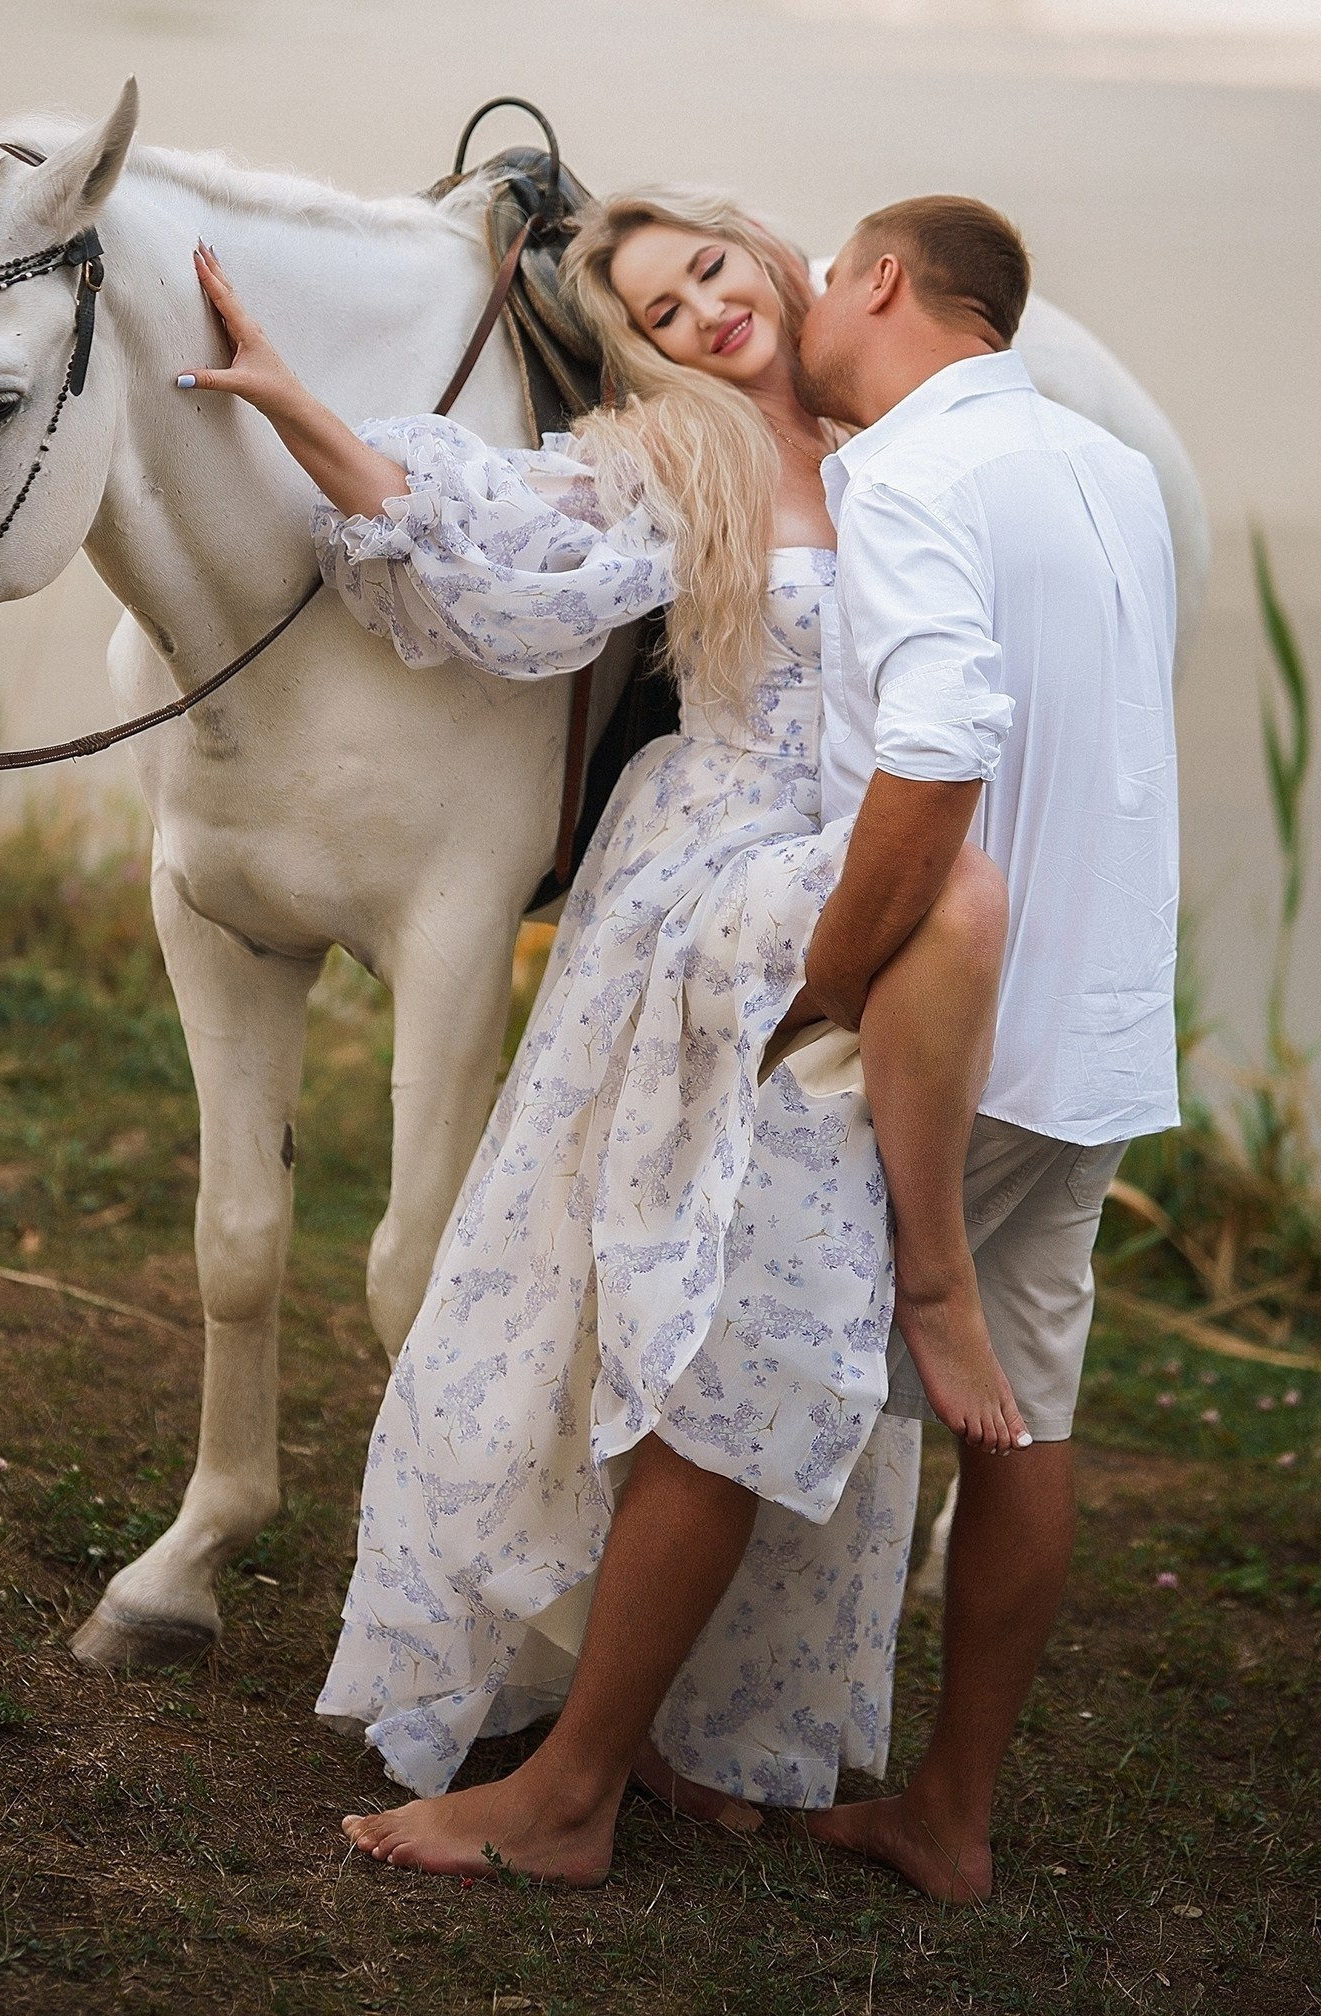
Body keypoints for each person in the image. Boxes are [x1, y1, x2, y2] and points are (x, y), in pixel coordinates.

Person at [179, 194, 1012, 1876]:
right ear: (638, 345)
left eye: (709, 269)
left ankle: (699, 1714)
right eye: (659, 305)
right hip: (711, 885)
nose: (702, 312)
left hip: (871, 877)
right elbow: (460, 520)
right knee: (613, 1283)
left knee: (779, 1296)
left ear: (769, 254)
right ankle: (553, 1704)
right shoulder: (672, 457)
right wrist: (291, 403)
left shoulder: (905, 439)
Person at [795, 196, 1181, 1905]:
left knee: (734, 1366)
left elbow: (938, 758)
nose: (807, 304)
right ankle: (950, 1814)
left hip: (947, 1037)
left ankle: (629, 1758)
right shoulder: (1112, 470)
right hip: (1097, 1029)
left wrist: (826, 976)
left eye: (819, 276)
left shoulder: (910, 473)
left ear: (882, 280)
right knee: (1020, 1420)